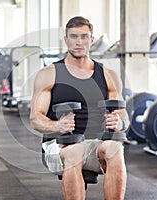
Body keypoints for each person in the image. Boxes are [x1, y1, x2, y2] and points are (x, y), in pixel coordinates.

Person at [30, 16, 129, 200]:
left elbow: (123, 118)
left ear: (91, 40)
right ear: (66, 39)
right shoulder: (49, 74)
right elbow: (36, 118)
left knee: (116, 148)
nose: (79, 42)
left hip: (94, 144)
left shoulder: (109, 75)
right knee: (75, 151)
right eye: (74, 36)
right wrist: (57, 126)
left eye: (84, 37)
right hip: (58, 145)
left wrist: (120, 123)